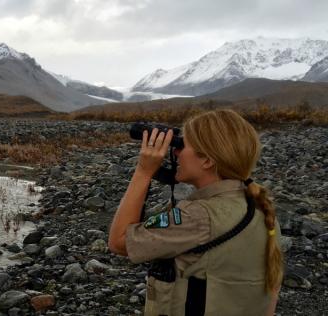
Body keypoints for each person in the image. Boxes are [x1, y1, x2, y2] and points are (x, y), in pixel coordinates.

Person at [108, 109, 283, 315]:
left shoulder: (198, 216)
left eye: (183, 145)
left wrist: (143, 171)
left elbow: (119, 241)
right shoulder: (260, 208)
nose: (175, 152)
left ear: (207, 160)